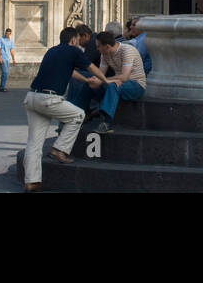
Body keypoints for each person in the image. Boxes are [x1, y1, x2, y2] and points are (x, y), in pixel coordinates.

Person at [23, 27, 107, 191]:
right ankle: (60, 149)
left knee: (34, 144)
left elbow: (70, 72)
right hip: (49, 99)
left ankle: (31, 182)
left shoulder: (51, 51)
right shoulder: (73, 51)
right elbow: (91, 67)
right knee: (78, 115)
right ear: (74, 40)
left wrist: (85, 80)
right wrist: (105, 80)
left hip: (32, 97)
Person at [90, 30, 146, 134]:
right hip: (119, 83)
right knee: (91, 83)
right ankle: (85, 113)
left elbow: (124, 77)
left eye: (98, 46)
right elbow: (101, 74)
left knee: (112, 86)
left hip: (136, 84)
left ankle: (106, 123)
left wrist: (105, 80)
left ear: (106, 46)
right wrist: (94, 80)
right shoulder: (104, 54)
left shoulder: (127, 50)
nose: (97, 49)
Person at [65, 24, 101, 113]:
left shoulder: (93, 42)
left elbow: (84, 63)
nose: (78, 42)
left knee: (76, 76)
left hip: (101, 75)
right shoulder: (92, 41)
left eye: (79, 39)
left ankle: (73, 107)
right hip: (98, 72)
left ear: (85, 36)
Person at [0, 28, 15, 93]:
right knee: (5, 72)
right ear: (5, 32)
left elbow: (12, 50)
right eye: (6, 33)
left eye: (9, 33)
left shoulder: (11, 41)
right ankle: (2, 87)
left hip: (7, 58)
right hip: (2, 58)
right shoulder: (1, 40)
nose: (7, 34)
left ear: (10, 34)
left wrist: (13, 59)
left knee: (6, 73)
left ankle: (2, 86)